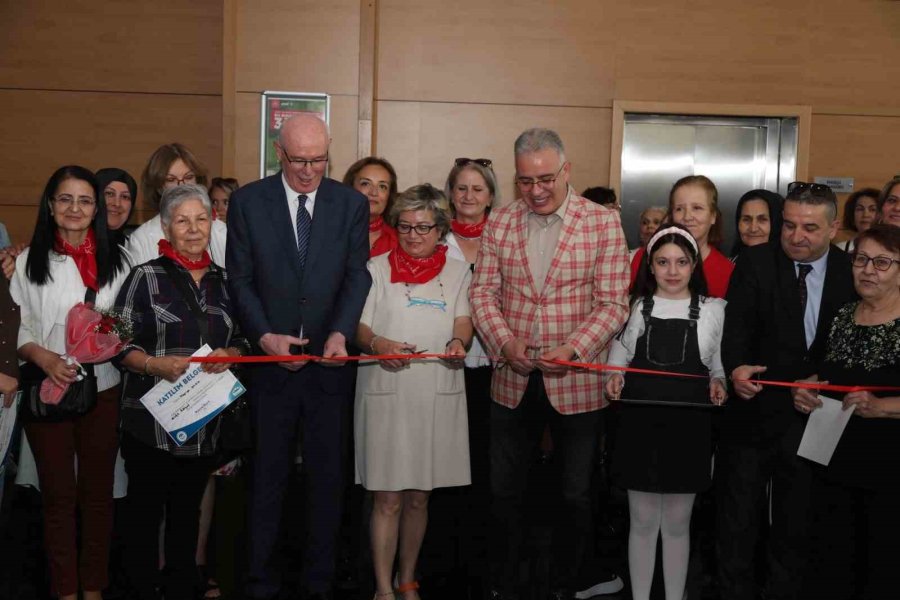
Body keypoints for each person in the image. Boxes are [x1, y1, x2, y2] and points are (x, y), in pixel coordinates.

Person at [470, 128, 629, 599]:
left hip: (575, 381)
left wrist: (575, 349)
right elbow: (483, 293)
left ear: (566, 171)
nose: (535, 190)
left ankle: (569, 582)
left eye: (545, 179)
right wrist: (504, 343)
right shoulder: (500, 221)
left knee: (576, 492)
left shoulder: (601, 222)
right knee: (505, 490)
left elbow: (613, 304)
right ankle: (507, 583)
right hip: (512, 376)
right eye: (525, 181)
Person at [226, 114, 371, 600]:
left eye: (319, 160)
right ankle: (261, 582)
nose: (309, 171)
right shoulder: (248, 202)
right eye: (299, 160)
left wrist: (341, 333)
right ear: (279, 153)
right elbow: (239, 278)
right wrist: (265, 336)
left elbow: (357, 275)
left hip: (330, 366)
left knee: (328, 482)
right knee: (267, 479)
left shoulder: (350, 204)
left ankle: (319, 583)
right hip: (271, 368)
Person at [716, 181, 857, 600]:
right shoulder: (756, 262)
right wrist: (736, 368)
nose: (796, 236)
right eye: (790, 225)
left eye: (810, 228)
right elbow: (735, 329)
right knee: (738, 521)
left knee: (797, 525)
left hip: (815, 415)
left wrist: (823, 381)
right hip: (754, 411)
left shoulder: (850, 272)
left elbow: (852, 344)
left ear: (833, 229)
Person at [112, 184, 248, 600]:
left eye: (201, 219)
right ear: (167, 228)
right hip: (149, 425)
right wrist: (153, 364)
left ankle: (181, 587)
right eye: (182, 221)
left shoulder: (227, 282)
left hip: (203, 424)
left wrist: (231, 354)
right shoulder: (144, 276)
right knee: (144, 518)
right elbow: (115, 343)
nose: (193, 229)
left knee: (187, 520)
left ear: (212, 223)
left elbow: (245, 340)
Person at [9, 165, 129, 600]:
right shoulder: (29, 261)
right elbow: (19, 326)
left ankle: (93, 587)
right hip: (48, 389)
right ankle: (64, 590)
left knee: (97, 496)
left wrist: (105, 340)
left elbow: (128, 322)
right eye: (65, 199)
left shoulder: (120, 260)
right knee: (57, 496)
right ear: (50, 205)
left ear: (96, 209)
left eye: (84, 200)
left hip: (104, 388)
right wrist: (43, 357)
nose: (74, 209)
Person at [354, 183, 472, 600]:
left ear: (440, 230)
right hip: (386, 390)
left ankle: (407, 580)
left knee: (420, 498)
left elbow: (463, 320)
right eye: (404, 226)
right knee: (387, 498)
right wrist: (377, 345)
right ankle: (382, 588)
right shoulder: (375, 268)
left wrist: (459, 342)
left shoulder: (458, 271)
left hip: (435, 392)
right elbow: (360, 328)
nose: (412, 235)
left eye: (423, 227)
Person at [606, 224, 727, 600]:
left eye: (681, 262)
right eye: (662, 262)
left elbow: (719, 366)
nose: (672, 271)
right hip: (639, 427)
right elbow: (617, 358)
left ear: (694, 265)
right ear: (650, 266)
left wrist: (719, 382)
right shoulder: (635, 307)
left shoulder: (713, 310)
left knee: (677, 524)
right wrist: (614, 377)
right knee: (641, 522)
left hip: (689, 430)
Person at [792, 224, 900, 599]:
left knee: (883, 569)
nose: (868, 270)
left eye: (882, 262)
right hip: (833, 462)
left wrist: (884, 407)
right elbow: (827, 374)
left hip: (889, 471)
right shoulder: (842, 315)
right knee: (831, 566)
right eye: (861, 259)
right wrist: (805, 389)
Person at [439, 157, 497, 594]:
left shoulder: (505, 239)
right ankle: (442, 567)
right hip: (446, 370)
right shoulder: (435, 240)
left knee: (486, 470)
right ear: (450, 194)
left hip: (494, 372)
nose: (469, 196)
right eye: (461, 188)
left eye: (478, 189)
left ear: (491, 196)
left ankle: (481, 571)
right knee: (445, 470)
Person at [631, 176, 733, 298]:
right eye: (679, 209)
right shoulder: (643, 258)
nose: (687, 217)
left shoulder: (728, 272)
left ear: (713, 216)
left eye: (697, 208)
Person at [127, 143, 227, 265]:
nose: (182, 185)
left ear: (198, 180)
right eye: (171, 179)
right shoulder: (141, 240)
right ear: (158, 187)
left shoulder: (222, 232)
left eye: (188, 177)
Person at [343, 157, 399, 258]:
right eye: (365, 184)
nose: (374, 192)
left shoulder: (400, 241)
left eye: (382, 186)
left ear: (389, 195)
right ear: (350, 188)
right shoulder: (329, 233)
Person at [731, 189, 783, 258]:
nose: (753, 229)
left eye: (762, 219)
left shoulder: (788, 264)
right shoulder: (728, 263)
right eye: (746, 220)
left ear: (776, 223)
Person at [96, 167, 138, 239]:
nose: (117, 203)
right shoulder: (78, 242)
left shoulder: (133, 244)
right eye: (109, 194)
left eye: (125, 197)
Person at [839, 187, 879, 252]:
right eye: (860, 209)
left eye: (872, 209)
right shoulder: (840, 249)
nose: (865, 215)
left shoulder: (892, 250)